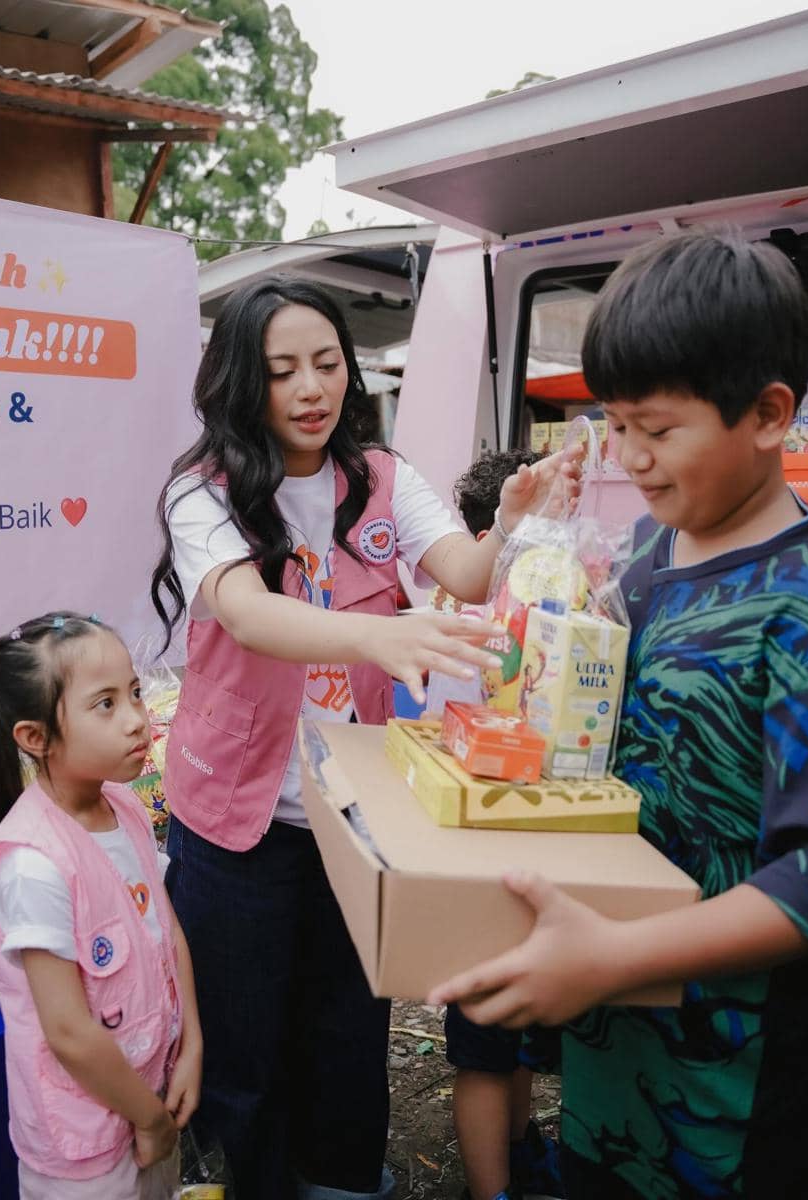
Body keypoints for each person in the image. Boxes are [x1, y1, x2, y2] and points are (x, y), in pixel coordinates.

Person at [150, 276, 578, 1200]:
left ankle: (344, 1182)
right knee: (244, 1044)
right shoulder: (202, 492)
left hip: (356, 812)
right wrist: (379, 636)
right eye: (282, 371)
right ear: (241, 381)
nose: (312, 388)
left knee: (349, 1029)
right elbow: (247, 612)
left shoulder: (381, 476)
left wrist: (510, 521)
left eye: (327, 363)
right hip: (238, 817)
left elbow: (464, 572)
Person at [429, 228, 808, 1199]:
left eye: (657, 429)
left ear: (769, 414)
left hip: (738, 1084)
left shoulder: (802, 603)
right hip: (613, 1047)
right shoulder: (639, 559)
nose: (630, 458)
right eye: (613, 425)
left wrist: (614, 955)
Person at [0, 613, 202, 1200]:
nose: (136, 718)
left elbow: (167, 932)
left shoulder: (125, 807)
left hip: (153, 1095)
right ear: (35, 738)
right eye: (105, 704)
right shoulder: (32, 863)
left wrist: (192, 1045)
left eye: (135, 692)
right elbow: (69, 1032)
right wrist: (148, 1118)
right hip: (86, 1146)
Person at [445, 448, 564, 1200]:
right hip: (483, 858)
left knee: (514, 1037)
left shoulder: (551, 608)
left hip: (531, 855)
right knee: (486, 1048)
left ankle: (521, 1154)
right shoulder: (471, 626)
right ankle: (490, 1188)